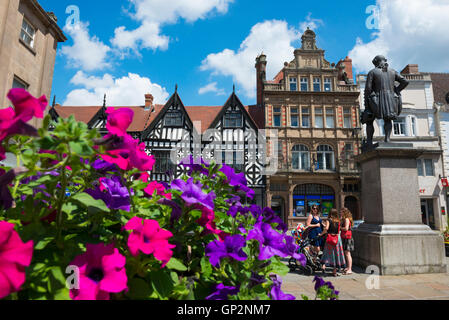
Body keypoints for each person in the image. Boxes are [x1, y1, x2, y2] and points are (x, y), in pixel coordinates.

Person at [362, 55, 409, 145]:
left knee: (369, 120)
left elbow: (368, 88)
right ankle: (387, 139)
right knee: (388, 119)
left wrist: (367, 104)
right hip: (391, 98)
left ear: (376, 62)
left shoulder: (372, 72)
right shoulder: (392, 71)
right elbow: (405, 82)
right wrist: (396, 90)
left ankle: (369, 142)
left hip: (377, 99)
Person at [320, 209, 346, 276]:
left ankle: (323, 266)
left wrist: (321, 234)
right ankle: (334, 271)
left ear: (330, 213)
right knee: (336, 254)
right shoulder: (338, 221)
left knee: (326, 252)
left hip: (330, 238)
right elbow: (338, 229)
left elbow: (326, 229)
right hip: (337, 239)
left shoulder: (328, 220)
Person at [340, 207, 355, 275]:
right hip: (345, 237)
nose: (340, 213)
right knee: (346, 253)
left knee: (347, 253)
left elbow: (346, 228)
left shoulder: (346, 219)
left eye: (341, 212)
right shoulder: (344, 219)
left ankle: (350, 269)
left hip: (347, 237)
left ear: (344, 212)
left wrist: (340, 228)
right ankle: (347, 267)